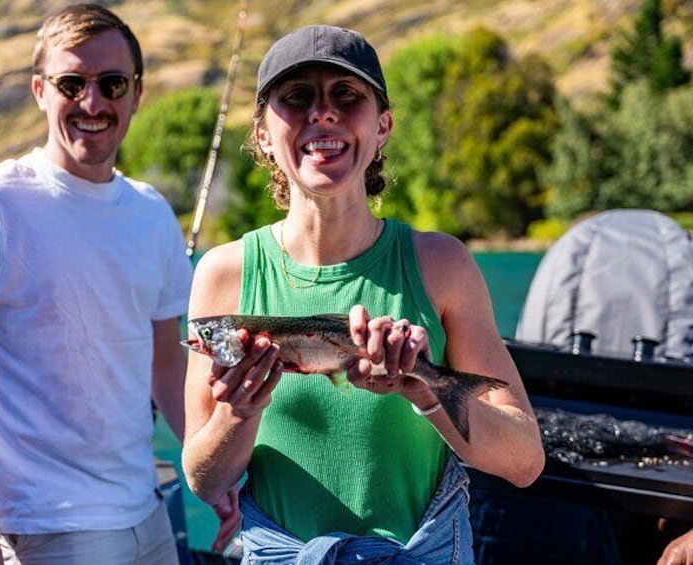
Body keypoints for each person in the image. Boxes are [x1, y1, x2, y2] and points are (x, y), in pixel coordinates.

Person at [181, 24, 545, 563]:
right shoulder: (222, 273)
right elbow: (204, 481)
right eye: (297, 97)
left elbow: (523, 460)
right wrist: (239, 412)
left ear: (383, 127)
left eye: (346, 96)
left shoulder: (441, 264)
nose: (322, 113)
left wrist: (422, 389)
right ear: (261, 134)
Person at [0, 4, 238, 564]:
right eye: (71, 83)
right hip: (41, 527)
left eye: (112, 83)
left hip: (146, 514)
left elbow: (166, 364)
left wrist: (212, 467)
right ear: (39, 90)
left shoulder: (152, 215)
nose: (93, 102)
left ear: (137, 93)